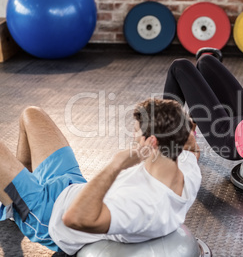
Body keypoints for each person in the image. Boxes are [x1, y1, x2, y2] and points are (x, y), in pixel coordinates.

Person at [0, 98, 201, 255]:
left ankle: (22, 207)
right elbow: (192, 149)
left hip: (47, 214)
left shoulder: (144, 206)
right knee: (31, 114)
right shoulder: (187, 172)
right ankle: (14, 203)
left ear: (152, 143)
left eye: (136, 132)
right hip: (73, 185)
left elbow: (73, 218)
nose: (133, 137)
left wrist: (117, 164)